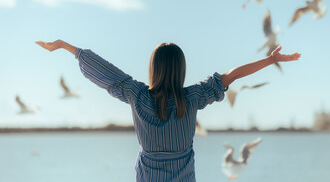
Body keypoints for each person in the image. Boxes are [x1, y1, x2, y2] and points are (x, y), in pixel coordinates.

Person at [35, 39, 300, 181]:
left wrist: (66, 47)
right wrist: (271, 59)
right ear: (181, 69)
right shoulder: (193, 97)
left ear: (154, 68)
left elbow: (103, 70)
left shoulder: (137, 94)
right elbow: (232, 75)